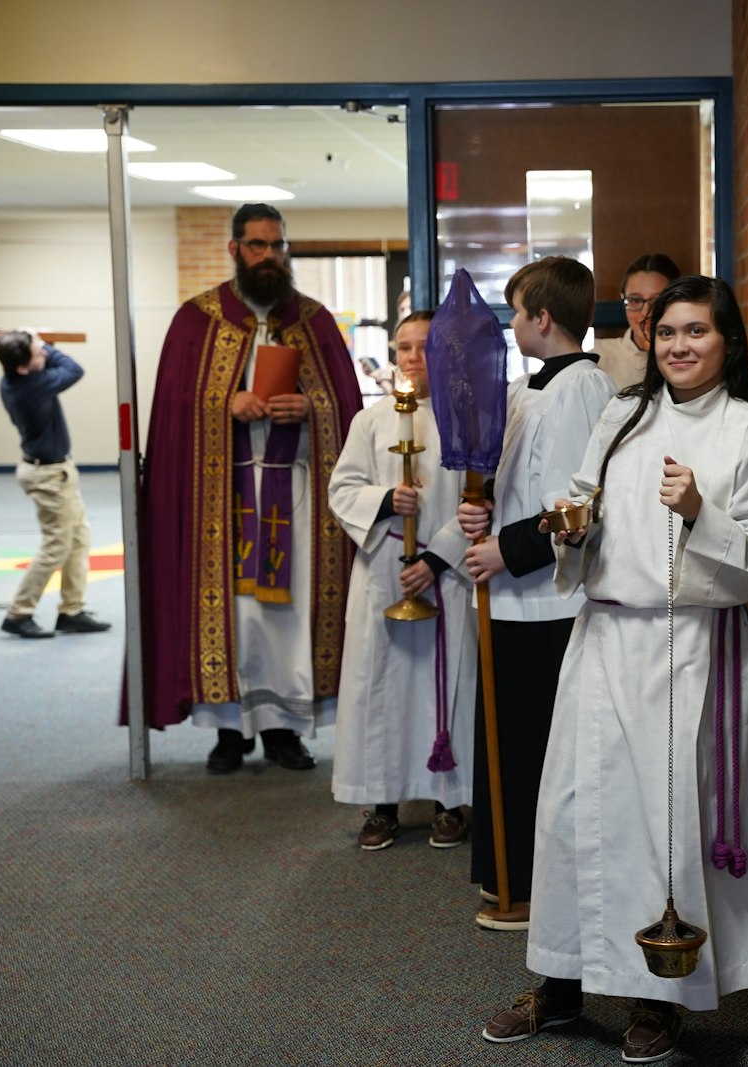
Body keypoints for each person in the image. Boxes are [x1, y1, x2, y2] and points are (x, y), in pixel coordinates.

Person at [482, 276, 748, 1064]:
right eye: (670, 332)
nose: (680, 345)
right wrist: (568, 524)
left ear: (727, 343)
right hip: (602, 639)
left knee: (660, 827)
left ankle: (661, 998)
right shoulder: (622, 413)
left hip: (685, 652)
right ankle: (556, 986)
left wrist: (698, 513)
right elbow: (581, 501)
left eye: (698, 333)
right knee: (572, 817)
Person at [132, 203, 364, 774]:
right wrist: (223, 404)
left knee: (288, 614)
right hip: (223, 500)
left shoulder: (314, 320)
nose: (269, 256)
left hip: (298, 492)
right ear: (234, 249)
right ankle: (229, 730)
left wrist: (311, 406)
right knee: (238, 613)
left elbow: (346, 405)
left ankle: (285, 727)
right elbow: (172, 413)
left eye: (277, 245)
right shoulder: (197, 320)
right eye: (257, 245)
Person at [457, 256, 615, 930]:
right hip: (508, 596)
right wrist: (478, 511)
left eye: (518, 311)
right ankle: (507, 874)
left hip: (547, 598)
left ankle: (536, 886)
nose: (513, 322)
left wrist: (509, 547)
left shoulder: (585, 389)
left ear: (543, 319)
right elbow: (515, 480)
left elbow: (582, 502)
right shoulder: (528, 390)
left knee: (535, 748)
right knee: (507, 741)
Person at [328, 311, 475, 850]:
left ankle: (448, 801)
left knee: (444, 686)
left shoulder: (467, 419)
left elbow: (477, 501)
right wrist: (387, 500)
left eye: (425, 347)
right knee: (380, 689)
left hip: (442, 574)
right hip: (384, 568)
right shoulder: (371, 422)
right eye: (404, 348)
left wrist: (437, 559)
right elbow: (342, 490)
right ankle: (381, 802)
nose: (413, 358)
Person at [0, 329, 110, 640]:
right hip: (47, 477)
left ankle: (71, 611)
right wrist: (42, 342)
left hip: (56, 471)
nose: (44, 354)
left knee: (78, 539)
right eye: (38, 353)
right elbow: (74, 369)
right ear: (22, 367)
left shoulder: (16, 379)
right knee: (56, 545)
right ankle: (19, 613)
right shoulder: (32, 388)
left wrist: (35, 342)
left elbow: (47, 365)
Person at [591, 253, 681, 391]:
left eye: (657, 301)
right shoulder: (600, 358)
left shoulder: (688, 356)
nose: (646, 312)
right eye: (635, 300)